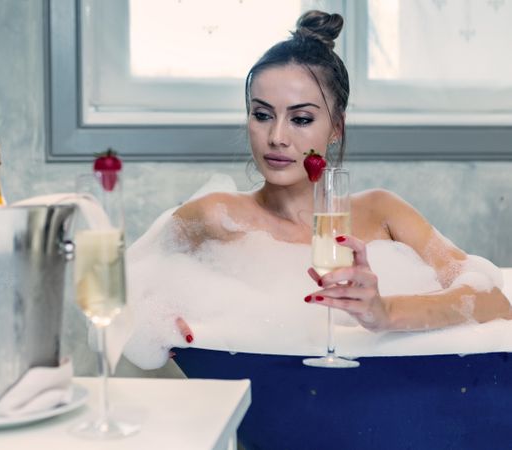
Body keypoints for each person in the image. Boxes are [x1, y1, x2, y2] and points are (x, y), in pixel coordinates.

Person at [169, 10, 510, 334]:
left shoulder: (383, 212)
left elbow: (494, 300)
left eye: (301, 119)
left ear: (336, 127)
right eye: (262, 115)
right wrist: (168, 320)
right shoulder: (216, 216)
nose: (276, 137)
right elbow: (134, 289)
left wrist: (384, 313)